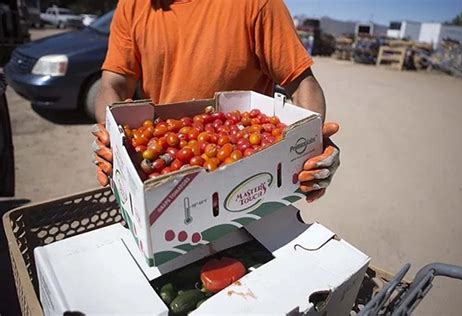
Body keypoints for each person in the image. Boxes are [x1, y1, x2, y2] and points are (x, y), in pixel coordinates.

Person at [93, 0, 340, 203]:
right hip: (160, 183)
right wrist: (115, 139)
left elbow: (302, 82)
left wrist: (309, 146)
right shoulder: (132, 5)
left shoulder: (257, 4)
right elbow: (112, 85)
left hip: (247, 185)